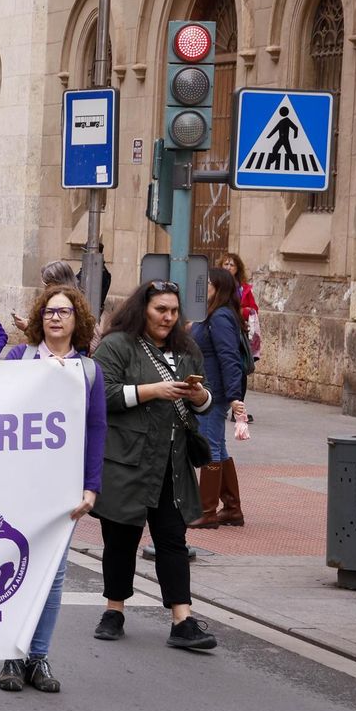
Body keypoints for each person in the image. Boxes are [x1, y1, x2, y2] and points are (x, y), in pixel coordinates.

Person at [91, 279, 218, 651]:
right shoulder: (117, 345)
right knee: (121, 538)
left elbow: (204, 403)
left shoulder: (187, 349)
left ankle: (183, 619)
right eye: (161, 309)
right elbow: (102, 394)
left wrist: (199, 395)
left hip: (171, 463)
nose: (168, 317)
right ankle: (113, 611)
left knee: (173, 540)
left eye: (174, 311)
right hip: (127, 460)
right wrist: (153, 391)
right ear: (142, 309)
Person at [0, 287, 106, 693]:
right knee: (15, 568)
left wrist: (91, 487)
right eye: (48, 311)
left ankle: (38, 657)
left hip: (61, 491)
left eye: (63, 312)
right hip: (18, 487)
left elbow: (96, 429)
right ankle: (12, 653)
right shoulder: (18, 359)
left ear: (77, 320)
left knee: (53, 576)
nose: (55, 318)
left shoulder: (89, 371)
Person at [191, 268, 248, 528]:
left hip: (215, 392)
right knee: (219, 447)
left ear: (219, 287)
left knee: (210, 446)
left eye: (208, 284)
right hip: (213, 388)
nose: (204, 289)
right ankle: (232, 508)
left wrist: (235, 397)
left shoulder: (221, 316)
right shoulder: (213, 314)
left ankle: (207, 511)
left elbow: (229, 357)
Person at [220, 252, 261, 362]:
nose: (228, 267)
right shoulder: (215, 285)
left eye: (232, 265)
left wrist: (242, 312)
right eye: (226, 264)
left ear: (237, 269)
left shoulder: (243, 289)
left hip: (239, 331)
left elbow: (254, 309)